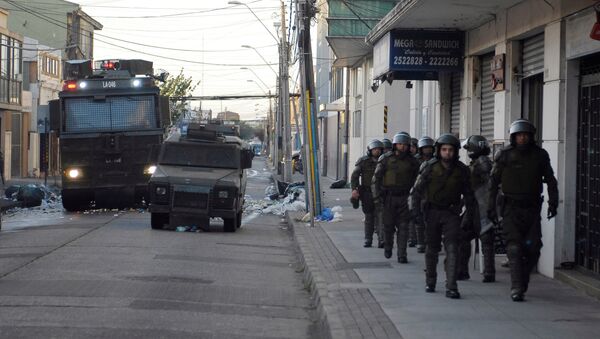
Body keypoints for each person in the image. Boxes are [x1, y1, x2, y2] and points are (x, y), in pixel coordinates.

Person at [488, 119, 558, 302]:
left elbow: (551, 180)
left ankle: (523, 280)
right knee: (514, 247)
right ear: (513, 137)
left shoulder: (540, 155)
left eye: (526, 135)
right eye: (519, 135)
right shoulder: (504, 155)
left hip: (532, 209)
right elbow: (493, 183)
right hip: (510, 208)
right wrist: (490, 208)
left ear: (531, 137)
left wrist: (553, 202)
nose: (522, 138)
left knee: (534, 248)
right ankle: (517, 287)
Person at [410, 133, 476, 299]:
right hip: (432, 212)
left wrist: (469, 216)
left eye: (451, 150)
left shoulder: (462, 170)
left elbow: (469, 195)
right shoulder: (429, 167)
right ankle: (430, 280)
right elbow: (416, 192)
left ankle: (451, 285)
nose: (448, 153)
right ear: (439, 150)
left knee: (453, 248)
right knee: (431, 249)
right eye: (444, 149)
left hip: (451, 213)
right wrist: (416, 213)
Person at [372, 132, 420, 263]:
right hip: (389, 198)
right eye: (400, 144)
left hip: (405, 198)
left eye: (405, 144)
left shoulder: (413, 161)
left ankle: (402, 254)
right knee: (388, 226)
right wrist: (377, 197)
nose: (402, 147)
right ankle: (388, 246)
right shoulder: (386, 159)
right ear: (395, 145)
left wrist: (416, 198)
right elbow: (376, 179)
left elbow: (419, 180)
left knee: (403, 227)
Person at [457, 135, 495, 282]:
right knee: (467, 236)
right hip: (475, 205)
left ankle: (487, 272)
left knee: (484, 238)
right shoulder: (478, 163)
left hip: (481, 206)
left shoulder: (483, 163)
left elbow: (490, 185)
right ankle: (483, 272)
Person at [351, 139, 384, 247]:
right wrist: (354, 189)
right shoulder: (363, 161)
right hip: (367, 193)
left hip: (381, 192)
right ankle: (368, 239)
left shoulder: (384, 161)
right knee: (369, 217)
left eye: (379, 149)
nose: (377, 151)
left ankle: (381, 239)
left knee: (381, 216)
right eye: (375, 149)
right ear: (370, 150)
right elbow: (355, 176)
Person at [409, 136, 435, 253]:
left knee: (431, 219)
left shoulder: (436, 160)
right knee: (418, 217)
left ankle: (432, 241)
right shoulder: (415, 160)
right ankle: (420, 241)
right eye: (425, 148)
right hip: (418, 190)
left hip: (432, 191)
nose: (427, 150)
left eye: (429, 148)